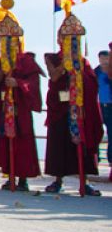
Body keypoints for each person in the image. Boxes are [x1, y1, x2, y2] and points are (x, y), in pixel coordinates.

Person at [0, 0, 42, 191]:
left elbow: (34, 82)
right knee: (6, 141)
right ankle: (10, 176)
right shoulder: (0, 62)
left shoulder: (26, 61)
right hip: (4, 108)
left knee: (22, 143)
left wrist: (19, 84)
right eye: (4, 41)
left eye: (11, 41)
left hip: (20, 109)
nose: (7, 44)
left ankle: (22, 179)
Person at [43, 12, 103, 196]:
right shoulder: (52, 57)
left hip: (78, 107)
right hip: (60, 107)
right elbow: (54, 77)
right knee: (59, 143)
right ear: (60, 39)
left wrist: (79, 72)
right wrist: (66, 63)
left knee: (82, 144)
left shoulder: (83, 62)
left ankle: (84, 181)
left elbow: (92, 83)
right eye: (66, 38)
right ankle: (58, 180)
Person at [97, 49, 111, 176]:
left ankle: (110, 160)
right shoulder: (95, 72)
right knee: (96, 132)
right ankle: (96, 158)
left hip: (110, 106)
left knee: (111, 133)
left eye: (106, 58)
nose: (104, 61)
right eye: (102, 58)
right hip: (99, 105)